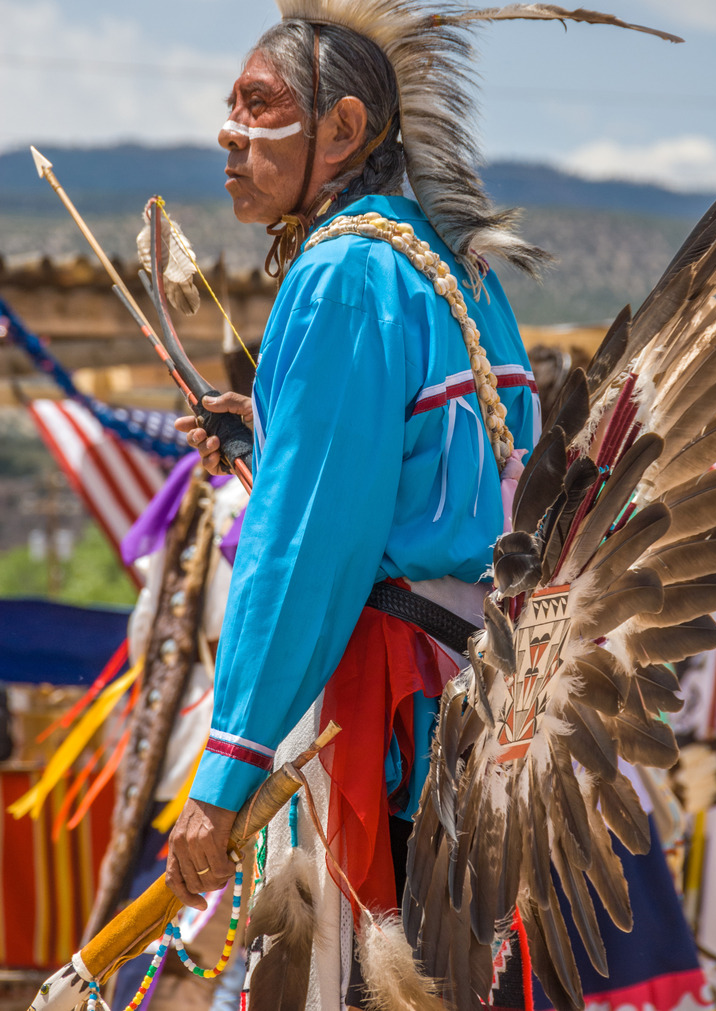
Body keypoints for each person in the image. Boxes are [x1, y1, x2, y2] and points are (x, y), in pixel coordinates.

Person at [166, 6, 543, 1006]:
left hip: (381, 718)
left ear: (339, 132)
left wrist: (225, 772)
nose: (229, 132)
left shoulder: (339, 272)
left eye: (260, 105)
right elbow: (450, 481)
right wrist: (272, 433)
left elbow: (303, 551)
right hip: (481, 717)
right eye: (231, 106)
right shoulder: (452, 263)